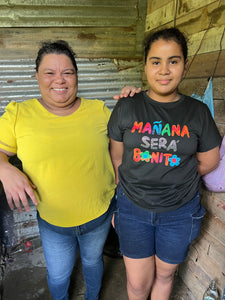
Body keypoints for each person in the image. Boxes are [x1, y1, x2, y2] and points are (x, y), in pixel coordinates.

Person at [0, 40, 137, 300]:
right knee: (59, 274)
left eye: (68, 72)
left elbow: (127, 144)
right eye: (49, 73)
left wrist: (136, 102)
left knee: (93, 262)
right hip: (54, 224)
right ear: (37, 76)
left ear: (76, 76)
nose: (59, 80)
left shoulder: (98, 111)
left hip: (99, 214)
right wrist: (4, 168)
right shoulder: (19, 114)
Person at [108, 27, 221, 300]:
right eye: (156, 61)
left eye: (174, 61)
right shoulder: (128, 106)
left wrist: (174, 175)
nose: (164, 70)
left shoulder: (197, 112)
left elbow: (210, 159)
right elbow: (117, 156)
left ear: (184, 64)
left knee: (165, 275)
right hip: (133, 210)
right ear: (145, 65)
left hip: (179, 214)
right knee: (136, 285)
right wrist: (123, 193)